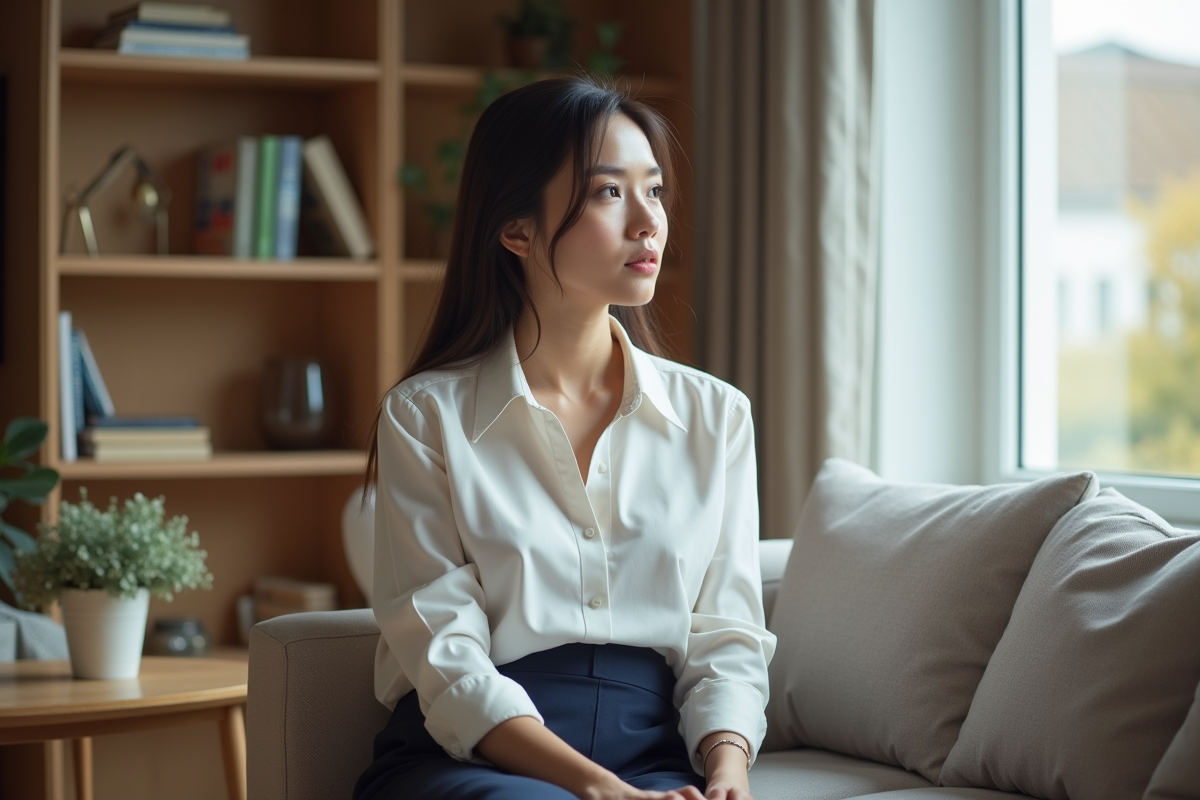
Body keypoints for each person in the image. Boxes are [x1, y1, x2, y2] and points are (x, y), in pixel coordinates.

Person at [354, 75, 775, 800]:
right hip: (476, 760)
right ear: (516, 230)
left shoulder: (717, 417)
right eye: (609, 193)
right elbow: (447, 660)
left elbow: (724, 637)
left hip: (654, 754)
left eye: (655, 190)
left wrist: (727, 775)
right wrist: (600, 791)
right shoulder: (426, 419)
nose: (648, 222)